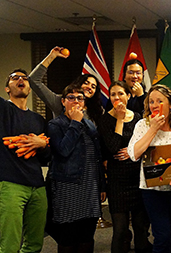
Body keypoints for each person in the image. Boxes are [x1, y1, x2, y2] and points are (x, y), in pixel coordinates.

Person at [127, 84, 171, 252]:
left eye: (160, 101)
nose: (155, 105)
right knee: (162, 236)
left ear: (170, 104)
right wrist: (153, 128)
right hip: (153, 191)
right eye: (151, 101)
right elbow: (133, 154)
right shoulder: (142, 125)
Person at [46, 84, 107, 252]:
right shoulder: (55, 124)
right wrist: (74, 123)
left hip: (90, 188)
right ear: (63, 102)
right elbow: (63, 151)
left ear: (84, 104)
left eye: (80, 98)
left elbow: (97, 157)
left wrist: (102, 185)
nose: (75, 101)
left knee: (87, 236)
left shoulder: (90, 125)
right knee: (67, 237)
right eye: (71, 98)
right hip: (67, 188)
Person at [98, 81, 151, 253]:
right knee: (120, 230)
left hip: (137, 176)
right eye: (113, 94)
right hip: (117, 180)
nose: (116, 97)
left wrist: (131, 151)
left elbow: (145, 145)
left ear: (128, 96)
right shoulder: (105, 120)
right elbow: (113, 147)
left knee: (140, 228)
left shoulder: (137, 118)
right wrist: (119, 120)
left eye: (120, 93)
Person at [0, 69, 50, 252]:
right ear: (7, 88)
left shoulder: (38, 119)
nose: (21, 80)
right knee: (9, 244)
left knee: (35, 243)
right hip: (10, 185)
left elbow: (46, 158)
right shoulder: (3, 109)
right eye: (15, 78)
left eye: (25, 78)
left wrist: (42, 145)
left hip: (38, 186)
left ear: (30, 89)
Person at [29, 46, 104, 124]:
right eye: (86, 83)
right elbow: (33, 80)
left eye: (93, 87)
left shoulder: (97, 110)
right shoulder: (59, 102)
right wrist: (52, 56)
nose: (89, 87)